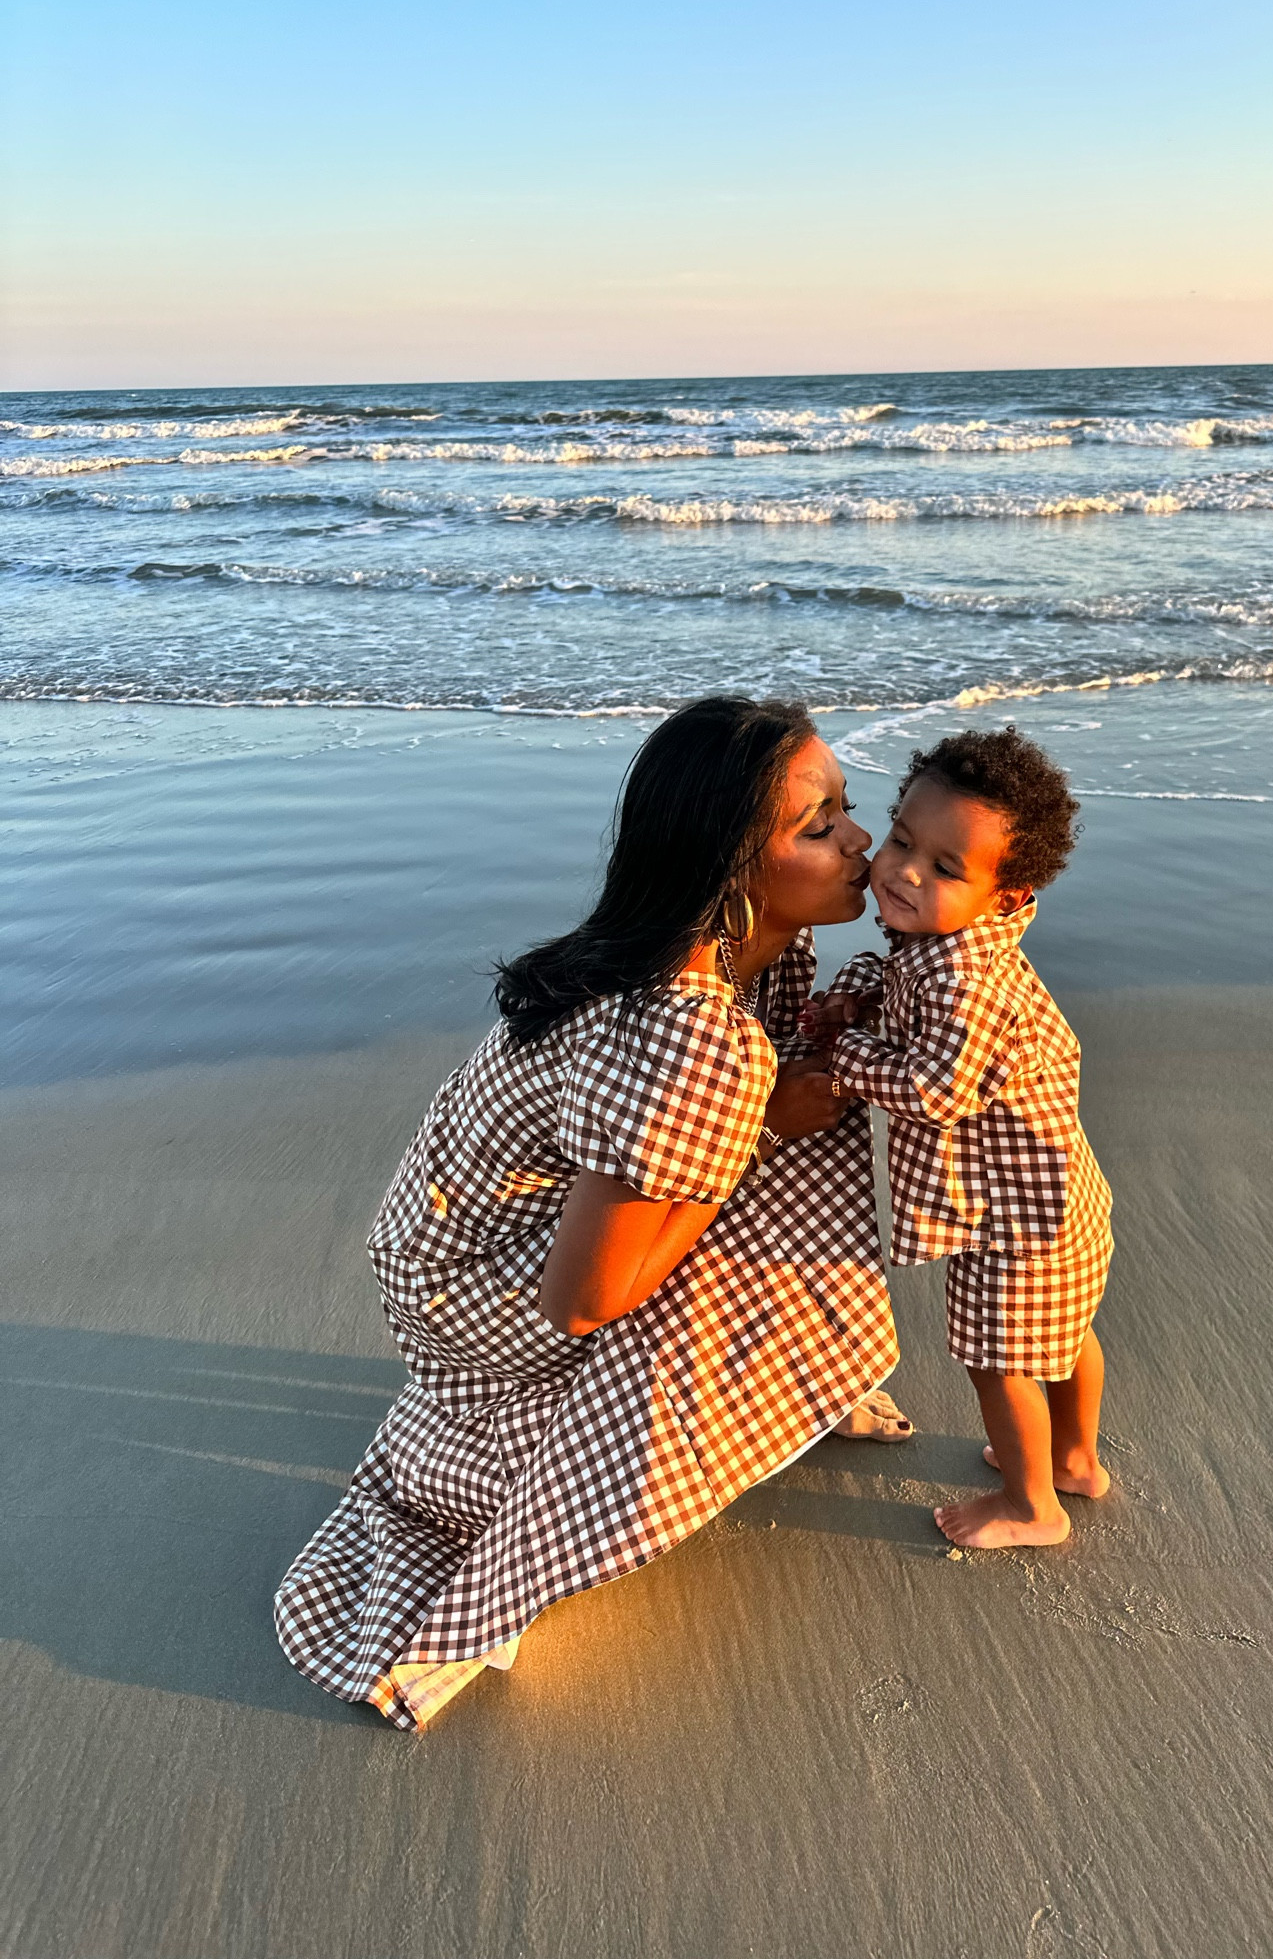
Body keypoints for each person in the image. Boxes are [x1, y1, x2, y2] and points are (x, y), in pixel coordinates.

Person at [275, 696, 908, 1730]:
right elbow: (585, 1297)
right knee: (725, 1273)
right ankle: (524, 1518)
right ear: (727, 868)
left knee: (762, 1185)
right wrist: (751, 1138)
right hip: (466, 1286)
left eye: (846, 806)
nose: (859, 838)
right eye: (817, 823)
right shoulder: (688, 1026)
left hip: (442, 1236)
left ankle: (796, 1376)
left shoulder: (713, 954)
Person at [805, 726, 1112, 1549]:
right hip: (1056, 1204)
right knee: (1067, 1337)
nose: (905, 870)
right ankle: (1076, 1459)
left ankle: (1031, 1506)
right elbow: (901, 974)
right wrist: (861, 994)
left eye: (945, 868)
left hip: (1009, 1224)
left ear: (1005, 897)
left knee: (999, 1357)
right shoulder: (947, 941)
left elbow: (935, 1090)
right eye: (903, 839)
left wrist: (843, 1054)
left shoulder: (965, 979)